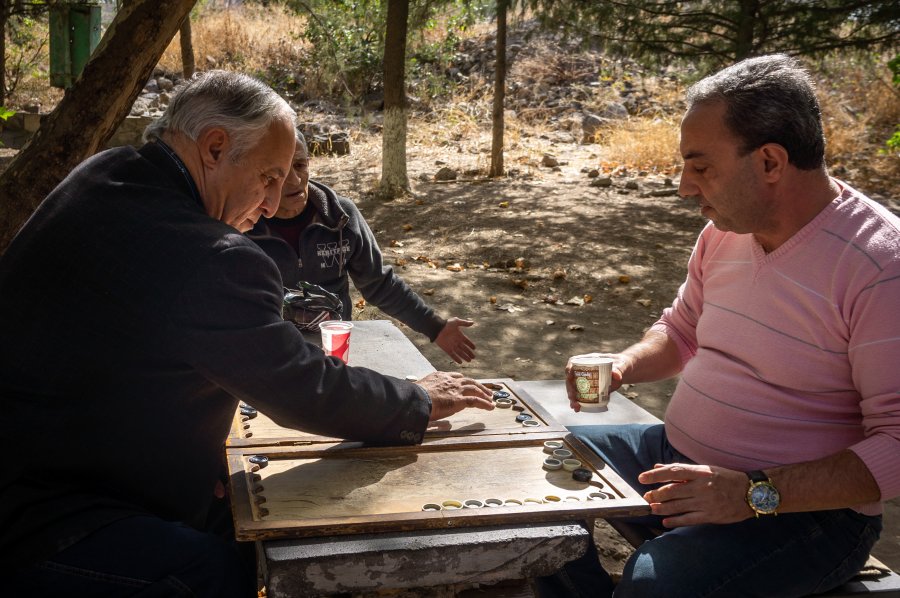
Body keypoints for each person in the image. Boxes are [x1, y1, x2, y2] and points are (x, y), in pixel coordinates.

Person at [0, 70, 493, 596]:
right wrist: (414, 399)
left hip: (58, 468)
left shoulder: (109, 171)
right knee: (245, 573)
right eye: (268, 177)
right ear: (214, 148)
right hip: (43, 517)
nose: (274, 200)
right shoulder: (209, 256)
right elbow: (304, 388)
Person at [542, 54, 900, 597]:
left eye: (701, 167)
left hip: (805, 515)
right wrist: (623, 366)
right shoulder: (724, 231)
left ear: (771, 162)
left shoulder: (879, 266)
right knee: (535, 474)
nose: (686, 188)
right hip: (678, 464)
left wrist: (751, 492)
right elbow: (682, 330)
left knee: (653, 585)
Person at [246, 131, 477, 364]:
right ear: (264, 176)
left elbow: (379, 283)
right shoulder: (245, 222)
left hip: (332, 351)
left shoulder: (341, 217)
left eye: (300, 165)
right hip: (268, 348)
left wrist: (435, 327)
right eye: (282, 172)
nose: (295, 180)